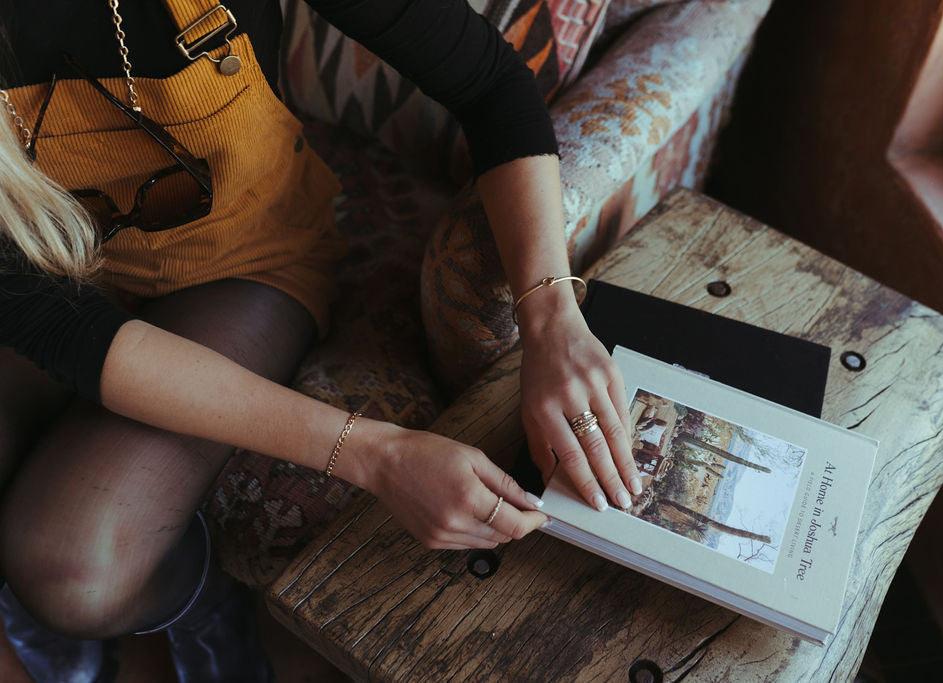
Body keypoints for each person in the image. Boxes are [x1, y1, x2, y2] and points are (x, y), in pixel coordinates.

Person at [0, 0, 642, 680]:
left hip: (239, 260)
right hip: (46, 285)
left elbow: (489, 79)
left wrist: (550, 315)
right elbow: (63, 327)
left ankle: (199, 610)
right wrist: (380, 455)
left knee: (73, 573)